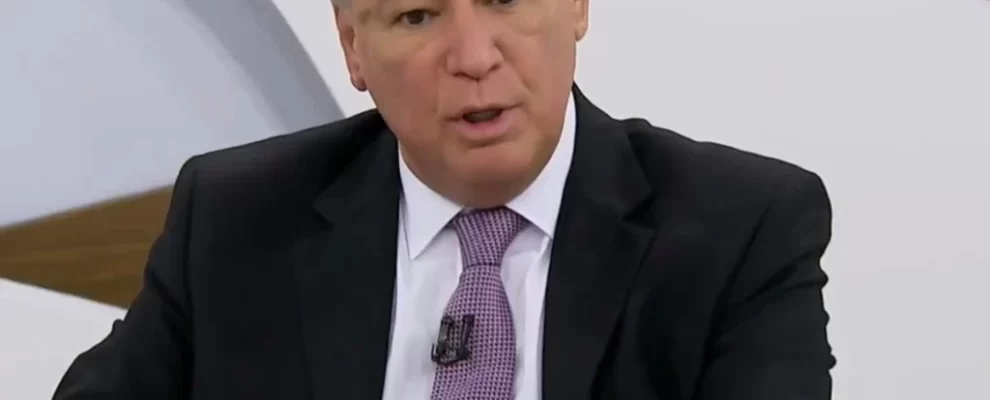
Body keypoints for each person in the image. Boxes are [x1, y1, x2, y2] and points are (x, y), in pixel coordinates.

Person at [52, 0, 836, 399]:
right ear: (353, 47)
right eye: (418, 14)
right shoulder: (234, 220)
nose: (473, 56)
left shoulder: (742, 230)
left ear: (576, 6)